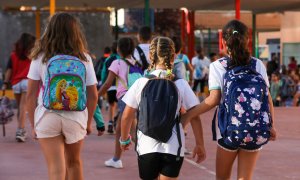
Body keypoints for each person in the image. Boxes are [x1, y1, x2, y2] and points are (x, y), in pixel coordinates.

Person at [182, 20, 277, 180]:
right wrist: (271, 125)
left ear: (224, 41)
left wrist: (188, 115)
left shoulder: (218, 66)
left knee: (222, 177)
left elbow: (213, 100)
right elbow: (267, 98)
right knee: (245, 178)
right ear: (247, 40)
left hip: (228, 130)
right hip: (255, 129)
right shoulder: (258, 64)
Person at [120, 37, 206, 180]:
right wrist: (200, 144)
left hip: (146, 147)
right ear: (174, 57)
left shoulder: (140, 82)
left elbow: (126, 116)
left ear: (150, 57)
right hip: (173, 148)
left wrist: (124, 139)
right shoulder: (180, 84)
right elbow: (194, 116)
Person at [26, 13, 98, 180]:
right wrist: (87, 123)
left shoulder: (39, 57)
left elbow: (30, 95)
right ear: (75, 32)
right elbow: (92, 95)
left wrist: (34, 124)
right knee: (74, 163)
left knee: (55, 169)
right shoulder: (84, 57)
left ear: (49, 31)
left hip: (47, 115)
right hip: (75, 116)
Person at [98, 37, 141, 169]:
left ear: (118, 49)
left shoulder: (117, 63)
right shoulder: (137, 63)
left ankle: (147, 157)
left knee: (132, 131)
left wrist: (97, 95)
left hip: (125, 99)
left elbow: (107, 83)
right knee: (120, 129)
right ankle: (116, 159)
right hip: (137, 97)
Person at [2, 33, 36, 142]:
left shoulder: (13, 55)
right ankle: (20, 130)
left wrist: (5, 83)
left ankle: (21, 129)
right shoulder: (33, 55)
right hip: (27, 82)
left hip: (16, 83)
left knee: (21, 109)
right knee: (23, 107)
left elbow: (9, 70)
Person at [100, 42, 120, 134]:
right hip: (120, 87)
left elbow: (104, 72)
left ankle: (110, 122)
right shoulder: (122, 59)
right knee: (119, 106)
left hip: (110, 86)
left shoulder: (108, 59)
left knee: (111, 105)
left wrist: (104, 83)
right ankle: (117, 119)